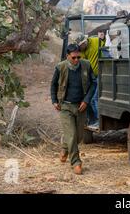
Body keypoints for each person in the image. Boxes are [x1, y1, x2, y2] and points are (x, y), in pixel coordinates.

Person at [50, 44, 95, 175]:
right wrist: (54, 100)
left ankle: (65, 149)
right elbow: (53, 85)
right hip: (65, 106)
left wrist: (86, 100)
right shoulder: (60, 67)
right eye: (74, 57)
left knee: (79, 136)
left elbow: (93, 83)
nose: (76, 60)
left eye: (78, 57)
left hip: (81, 106)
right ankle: (76, 162)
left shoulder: (86, 65)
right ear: (67, 56)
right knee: (71, 134)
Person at [75, 31, 107, 132]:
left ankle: (99, 120)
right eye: (79, 46)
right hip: (90, 78)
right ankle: (91, 120)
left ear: (85, 41)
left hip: (100, 75)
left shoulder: (96, 41)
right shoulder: (81, 51)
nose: (81, 47)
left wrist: (103, 38)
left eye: (82, 45)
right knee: (87, 99)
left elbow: (106, 43)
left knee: (94, 99)